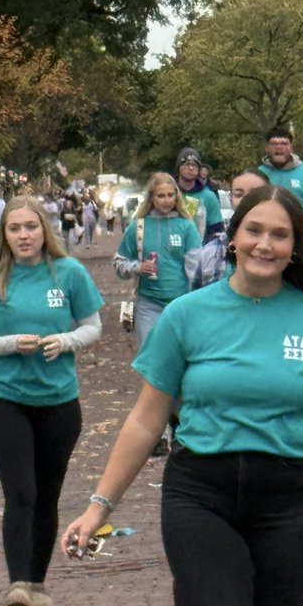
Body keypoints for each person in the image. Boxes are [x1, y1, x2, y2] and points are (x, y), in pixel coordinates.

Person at [62, 185, 303, 606]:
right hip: (200, 495)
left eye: (279, 235)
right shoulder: (187, 315)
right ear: (232, 237)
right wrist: (99, 507)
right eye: (254, 230)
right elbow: (146, 420)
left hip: (291, 497)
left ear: (295, 248)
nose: (264, 244)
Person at [0, 196, 103, 606]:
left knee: (47, 494)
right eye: (14, 228)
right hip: (6, 399)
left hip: (60, 403)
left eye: (30, 227)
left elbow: (92, 326)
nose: (23, 235)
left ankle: (38, 583)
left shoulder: (68, 273)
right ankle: (17, 586)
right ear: (4, 234)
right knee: (20, 492)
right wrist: (11, 344)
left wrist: (65, 341)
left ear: (43, 230)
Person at [113, 173, 202, 456]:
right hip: (148, 304)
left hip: (180, 305)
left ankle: (178, 419)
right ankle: (158, 433)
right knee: (154, 368)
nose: (165, 201)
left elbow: (196, 267)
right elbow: (119, 261)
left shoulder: (186, 227)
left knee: (180, 366)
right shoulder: (138, 228)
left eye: (170, 195)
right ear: (151, 198)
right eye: (160, 196)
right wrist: (135, 268)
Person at [175, 148, 224, 243]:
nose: (191, 168)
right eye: (187, 164)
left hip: (199, 252)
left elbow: (217, 230)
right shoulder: (169, 194)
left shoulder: (209, 196)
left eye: (194, 165)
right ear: (179, 168)